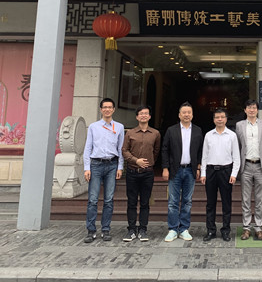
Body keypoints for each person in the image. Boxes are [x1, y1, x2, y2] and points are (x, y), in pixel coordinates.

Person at [83, 97, 124, 243]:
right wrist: (86, 168)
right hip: (96, 164)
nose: (107, 109)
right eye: (104, 107)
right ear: (101, 110)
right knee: (93, 199)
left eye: (110, 107)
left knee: (108, 200)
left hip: (112, 165)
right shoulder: (93, 127)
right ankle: (91, 230)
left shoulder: (119, 127)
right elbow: (88, 147)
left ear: (113, 109)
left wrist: (120, 167)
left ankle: (105, 229)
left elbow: (121, 148)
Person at [161, 101, 203, 242]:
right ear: (179, 115)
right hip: (175, 170)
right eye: (184, 112)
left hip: (190, 170)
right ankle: (173, 229)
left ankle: (184, 228)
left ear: (192, 115)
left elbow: (200, 150)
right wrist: (165, 168)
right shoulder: (171, 130)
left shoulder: (197, 130)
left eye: (189, 112)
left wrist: (198, 167)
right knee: (173, 201)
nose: (186, 115)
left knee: (187, 201)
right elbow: (165, 149)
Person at [121, 105, 161, 242]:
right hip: (132, 172)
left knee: (145, 203)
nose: (143, 115)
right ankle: (131, 229)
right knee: (131, 202)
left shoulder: (155, 133)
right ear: (137, 117)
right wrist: (136, 160)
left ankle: (143, 229)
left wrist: (149, 162)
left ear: (149, 116)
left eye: (146, 113)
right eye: (141, 114)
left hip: (147, 173)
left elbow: (156, 151)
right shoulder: (130, 133)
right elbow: (124, 150)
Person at [201, 108, 240, 242]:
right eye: (217, 117)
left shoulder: (232, 135)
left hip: (226, 171)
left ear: (226, 119)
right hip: (211, 171)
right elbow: (204, 156)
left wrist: (234, 174)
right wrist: (203, 173)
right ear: (213, 120)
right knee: (210, 203)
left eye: (222, 117)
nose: (220, 119)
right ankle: (211, 230)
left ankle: (226, 230)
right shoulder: (208, 135)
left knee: (226, 203)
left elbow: (236, 157)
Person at [235, 99, 262, 241]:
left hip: (260, 165)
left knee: (260, 198)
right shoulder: (239, 125)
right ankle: (246, 227)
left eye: (254, 107)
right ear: (245, 110)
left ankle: (259, 228)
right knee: (246, 198)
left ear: (257, 110)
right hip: (246, 165)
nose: (251, 110)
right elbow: (238, 145)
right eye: (249, 107)